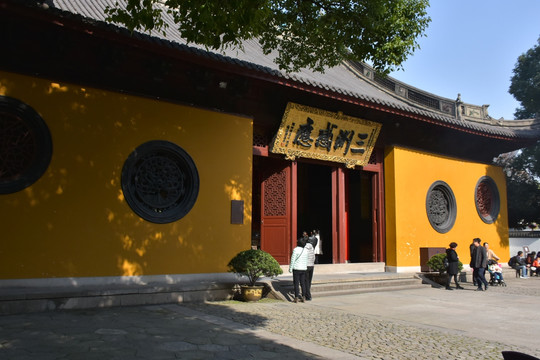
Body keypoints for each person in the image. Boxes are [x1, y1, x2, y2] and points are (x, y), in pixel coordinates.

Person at [289, 235, 308, 302]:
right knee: (303, 283)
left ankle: (296, 297)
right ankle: (303, 296)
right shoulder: (305, 251)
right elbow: (306, 260)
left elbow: (292, 260)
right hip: (303, 269)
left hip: (296, 268)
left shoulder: (295, 250)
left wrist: (290, 268)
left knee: (296, 283)